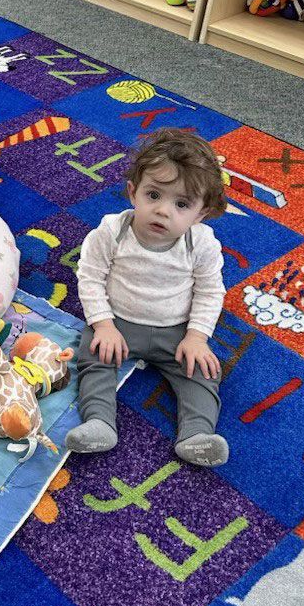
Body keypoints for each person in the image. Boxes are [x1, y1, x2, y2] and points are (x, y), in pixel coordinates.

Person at [64, 128, 230, 467]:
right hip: (119, 322)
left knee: (204, 370)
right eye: (153, 195)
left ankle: (197, 434)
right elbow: (91, 276)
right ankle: (99, 421)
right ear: (133, 192)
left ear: (200, 214)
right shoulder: (112, 231)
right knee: (92, 357)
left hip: (177, 329)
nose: (163, 211)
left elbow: (210, 290)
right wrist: (104, 325)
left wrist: (197, 337)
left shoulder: (202, 244)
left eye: (181, 204)